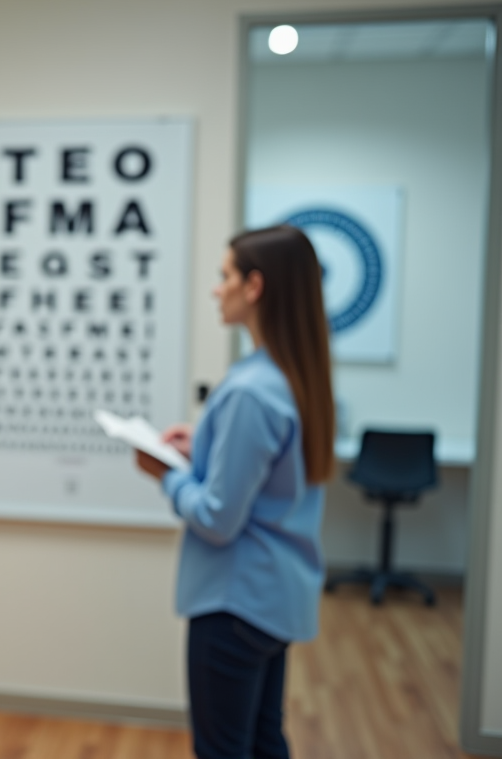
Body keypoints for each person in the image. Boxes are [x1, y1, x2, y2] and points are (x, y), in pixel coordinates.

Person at [134, 225, 334, 759]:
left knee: (223, 749)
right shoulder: (295, 376)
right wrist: (205, 443)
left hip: (235, 603)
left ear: (255, 286)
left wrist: (166, 474)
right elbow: (273, 475)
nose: (216, 289)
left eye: (225, 276)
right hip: (277, 597)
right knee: (265, 740)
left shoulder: (249, 390)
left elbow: (218, 518)